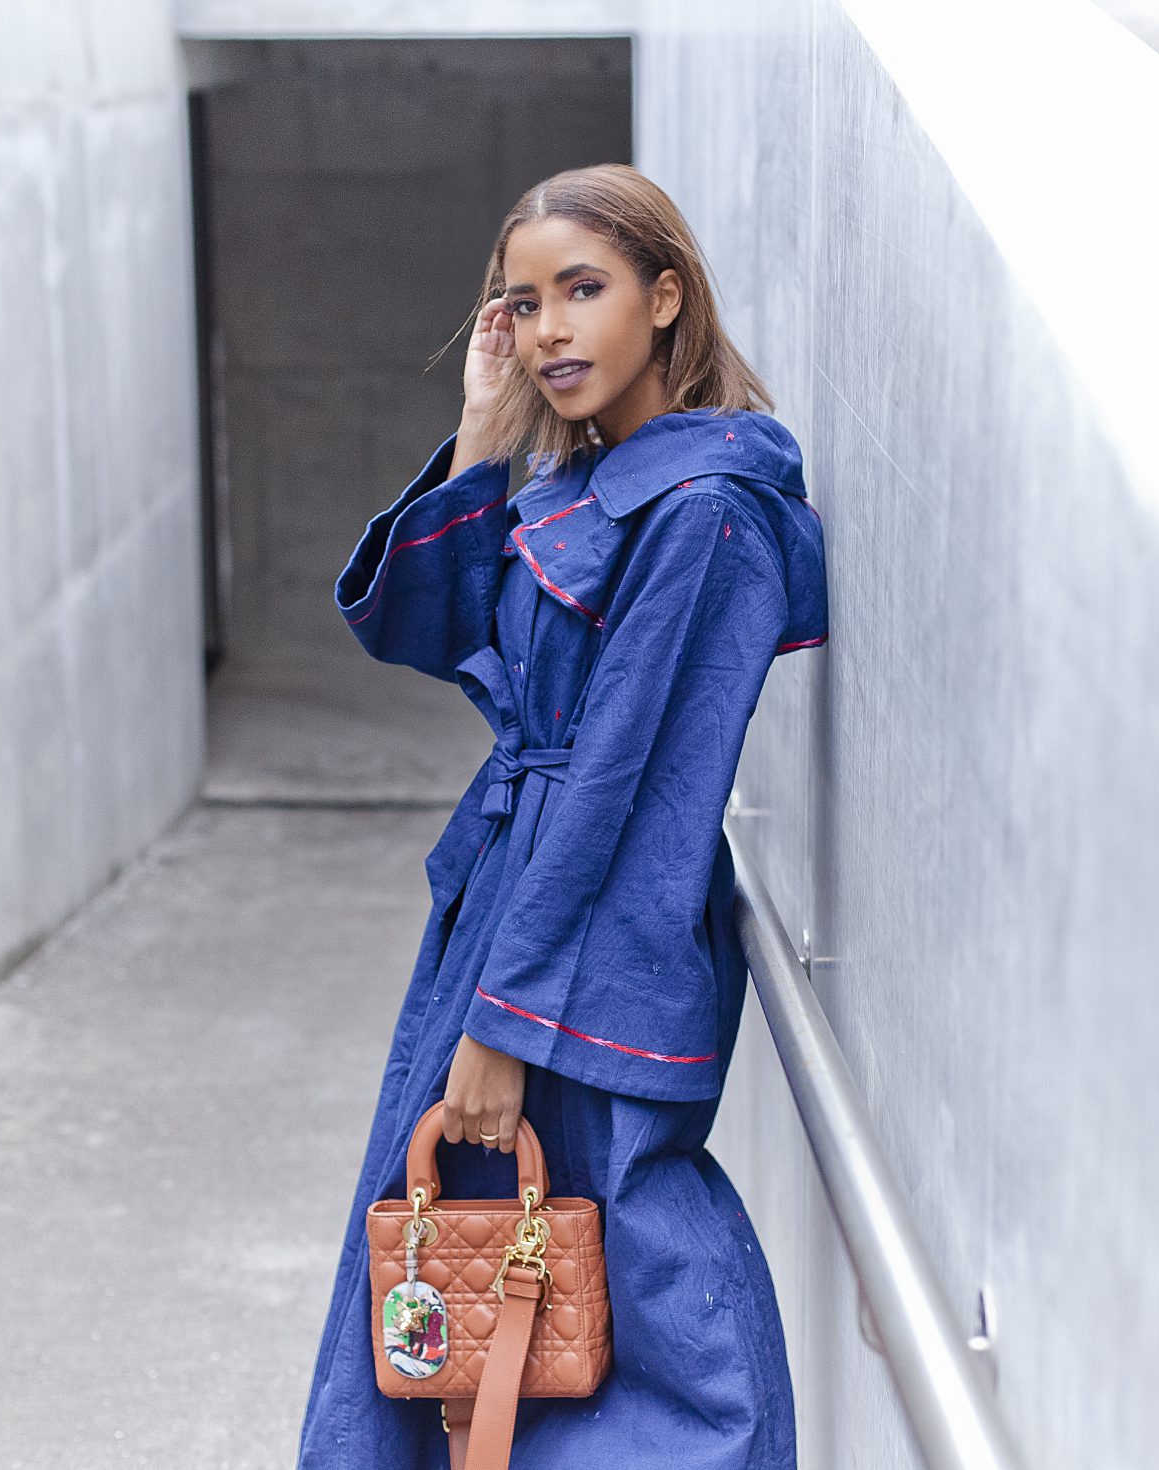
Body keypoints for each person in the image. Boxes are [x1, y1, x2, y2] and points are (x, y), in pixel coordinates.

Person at [297, 162, 828, 1470]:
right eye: (525, 302)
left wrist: (506, 1021)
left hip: (594, 940)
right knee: (466, 1276)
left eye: (582, 290)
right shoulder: (589, 481)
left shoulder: (704, 512)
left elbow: (626, 787)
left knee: (635, 1270)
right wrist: (484, 436)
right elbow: (436, 632)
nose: (549, 331)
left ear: (666, 296)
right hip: (516, 912)